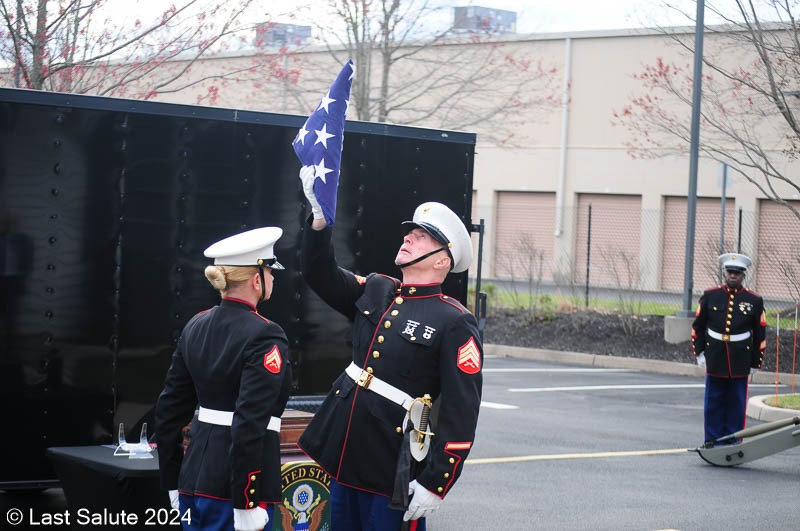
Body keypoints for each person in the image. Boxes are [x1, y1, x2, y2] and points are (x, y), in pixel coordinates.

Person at [295, 166, 483, 530]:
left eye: (421, 237)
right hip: (346, 455)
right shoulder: (378, 289)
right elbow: (319, 272)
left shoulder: (454, 321)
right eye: (409, 233)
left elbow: (461, 412)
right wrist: (319, 219)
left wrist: (436, 482)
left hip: (391, 468)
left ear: (443, 260)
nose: (408, 238)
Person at [155, 227, 293, 531]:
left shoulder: (195, 325)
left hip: (193, 479)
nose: (273, 278)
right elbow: (249, 422)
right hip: (234, 489)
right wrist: (246, 500)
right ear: (256, 280)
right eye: (270, 271)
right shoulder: (265, 334)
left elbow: (169, 412)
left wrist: (172, 481)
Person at [692, 252, 766, 445]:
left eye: (737, 272)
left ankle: (733, 442)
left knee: (736, 403)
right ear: (724, 273)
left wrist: (756, 362)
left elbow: (759, 334)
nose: (733, 275)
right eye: (730, 271)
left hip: (740, 358)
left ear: (743, 275)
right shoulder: (710, 296)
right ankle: (712, 440)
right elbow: (698, 326)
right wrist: (699, 353)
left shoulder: (754, 300)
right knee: (713, 402)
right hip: (715, 356)